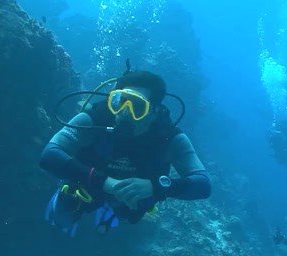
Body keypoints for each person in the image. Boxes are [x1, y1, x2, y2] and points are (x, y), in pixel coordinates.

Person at [40, 70, 211, 235]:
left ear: (155, 111)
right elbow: (49, 155)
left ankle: (111, 216)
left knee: (128, 216)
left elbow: (203, 184)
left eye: (138, 107)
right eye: (120, 101)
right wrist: (105, 182)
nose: (125, 112)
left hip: (130, 200)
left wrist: (156, 187)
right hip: (85, 188)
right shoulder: (94, 118)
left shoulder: (168, 137)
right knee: (62, 217)